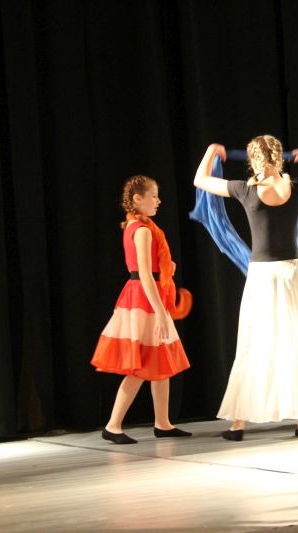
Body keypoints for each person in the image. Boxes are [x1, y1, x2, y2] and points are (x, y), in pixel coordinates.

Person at [193, 135, 298, 440]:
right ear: (278, 157)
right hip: (291, 274)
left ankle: (238, 425)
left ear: (253, 160)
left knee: (254, 344)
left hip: (262, 276)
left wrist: (211, 151)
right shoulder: (297, 186)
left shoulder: (245, 189)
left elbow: (200, 180)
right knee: (296, 343)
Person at [91, 175, 193, 444]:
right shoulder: (143, 230)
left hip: (145, 294)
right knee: (141, 365)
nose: (158, 201)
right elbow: (145, 274)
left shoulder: (136, 226)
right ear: (138, 198)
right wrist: (159, 312)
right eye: (154, 196)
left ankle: (163, 423)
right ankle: (113, 425)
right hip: (145, 298)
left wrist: (167, 268)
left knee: (161, 362)